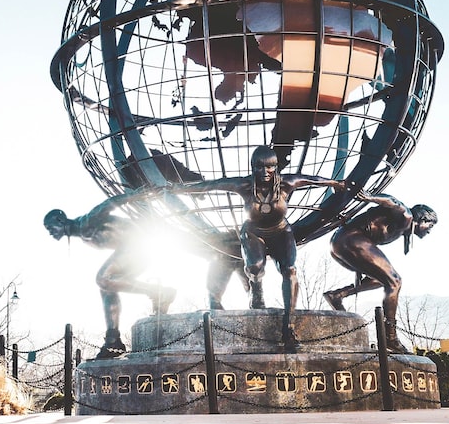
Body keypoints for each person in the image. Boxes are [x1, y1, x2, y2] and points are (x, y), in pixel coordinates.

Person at [164, 145, 348, 352]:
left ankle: (288, 327)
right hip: (253, 231)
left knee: (290, 270)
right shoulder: (244, 185)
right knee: (254, 267)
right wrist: (176, 189)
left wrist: (336, 183)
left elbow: (311, 179)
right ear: (252, 168)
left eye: (270, 167)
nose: (264, 172)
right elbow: (211, 185)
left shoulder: (287, 183)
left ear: (276, 167)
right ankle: (256, 290)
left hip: (281, 232)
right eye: (259, 167)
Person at [44, 195, 246, 359]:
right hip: (136, 251)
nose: (51, 234)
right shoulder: (82, 233)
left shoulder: (86, 222)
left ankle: (161, 292)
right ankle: (113, 340)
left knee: (103, 278)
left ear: (60, 220)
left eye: (50, 228)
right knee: (107, 286)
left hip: (138, 245)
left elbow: (110, 202)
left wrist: (139, 194)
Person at [323, 191, 437, 353]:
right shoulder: (407, 217)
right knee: (395, 281)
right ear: (422, 220)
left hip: (339, 244)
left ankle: (338, 295)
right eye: (430, 226)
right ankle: (390, 337)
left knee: (380, 280)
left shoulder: (402, 227)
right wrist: (370, 197)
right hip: (350, 239)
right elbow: (393, 202)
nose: (430, 231)